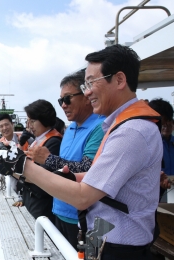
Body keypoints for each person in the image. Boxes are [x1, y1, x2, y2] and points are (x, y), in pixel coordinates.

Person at [22, 44, 162, 259]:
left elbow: (83, 198)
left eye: (90, 83)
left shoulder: (132, 131)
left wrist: (24, 167)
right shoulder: (120, 126)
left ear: (119, 80)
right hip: (102, 238)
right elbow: (102, 178)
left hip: (118, 249)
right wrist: (72, 176)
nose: (87, 92)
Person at [26, 69, 105, 248]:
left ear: (86, 95)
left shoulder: (100, 127)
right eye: (61, 100)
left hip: (82, 217)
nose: (63, 105)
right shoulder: (69, 129)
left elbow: (89, 168)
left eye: (68, 98)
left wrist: (48, 159)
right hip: (59, 209)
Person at [20, 99, 62, 223]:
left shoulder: (53, 142)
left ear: (44, 119)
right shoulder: (37, 140)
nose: (29, 126)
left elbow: (44, 179)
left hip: (42, 206)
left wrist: (16, 173)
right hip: (31, 201)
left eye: (32, 121)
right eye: (28, 121)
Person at [148, 98, 173, 202]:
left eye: (168, 120)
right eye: (163, 121)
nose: (165, 125)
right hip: (152, 191)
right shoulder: (148, 141)